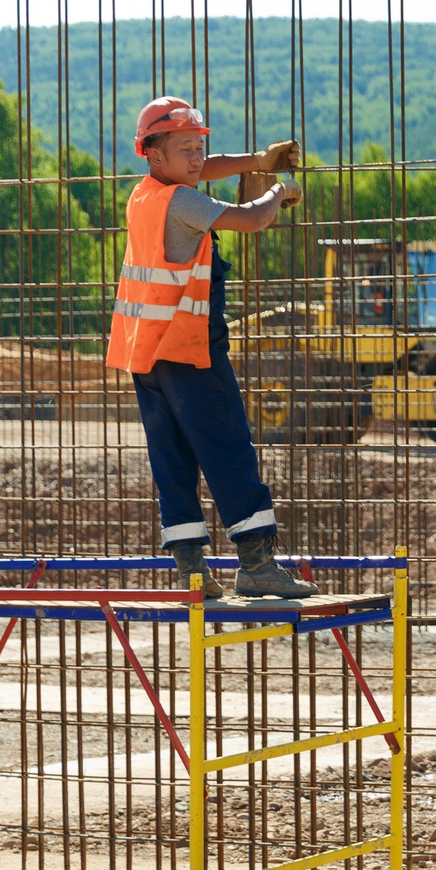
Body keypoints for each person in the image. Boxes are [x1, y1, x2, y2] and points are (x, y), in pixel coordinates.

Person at [105, 95, 313, 600]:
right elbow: (249, 218)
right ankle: (257, 564)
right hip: (189, 351)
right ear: (154, 153)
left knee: (172, 461)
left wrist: (256, 161)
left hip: (146, 356)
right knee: (228, 450)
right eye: (186, 149)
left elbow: (204, 168)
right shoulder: (183, 203)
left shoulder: (145, 194)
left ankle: (192, 572)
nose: (197, 158)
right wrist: (279, 190)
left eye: (199, 146)